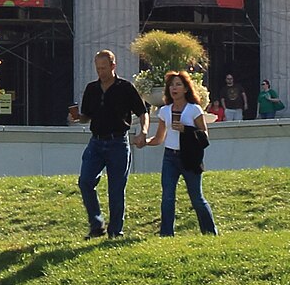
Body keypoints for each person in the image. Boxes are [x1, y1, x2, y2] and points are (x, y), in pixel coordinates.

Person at [70, 48, 146, 238]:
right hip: (96, 142)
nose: (100, 72)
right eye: (98, 68)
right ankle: (96, 224)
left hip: (118, 142)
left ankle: (115, 231)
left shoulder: (125, 88)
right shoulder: (91, 89)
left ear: (113, 66)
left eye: (104, 68)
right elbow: (87, 116)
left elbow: (142, 112)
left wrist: (143, 132)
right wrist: (78, 117)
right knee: (85, 181)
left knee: (116, 188)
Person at [136, 67, 219, 236]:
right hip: (170, 157)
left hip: (189, 158)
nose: (174, 88)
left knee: (196, 198)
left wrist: (186, 129)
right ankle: (166, 234)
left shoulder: (194, 109)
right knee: (167, 197)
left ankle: (210, 232)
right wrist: (145, 142)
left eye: (178, 85)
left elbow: (204, 136)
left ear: (186, 88)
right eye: (172, 85)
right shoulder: (164, 111)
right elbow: (159, 138)